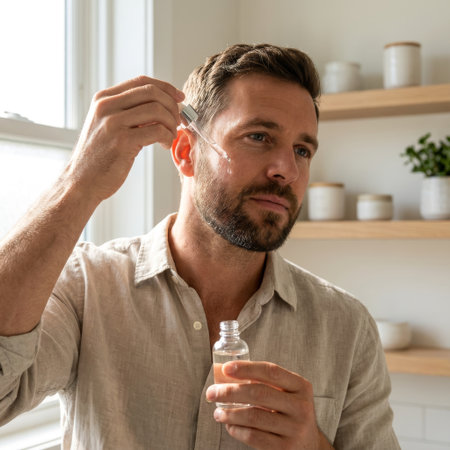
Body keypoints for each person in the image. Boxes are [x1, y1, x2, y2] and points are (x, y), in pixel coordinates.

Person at [0, 43, 400, 449]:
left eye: (302, 150)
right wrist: (77, 182)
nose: (288, 170)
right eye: (259, 136)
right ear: (185, 151)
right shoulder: (86, 289)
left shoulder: (347, 327)